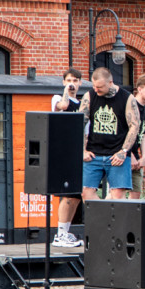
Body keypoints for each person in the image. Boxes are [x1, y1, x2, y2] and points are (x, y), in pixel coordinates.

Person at [79, 67, 141, 201]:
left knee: (117, 196)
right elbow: (79, 123)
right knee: (86, 193)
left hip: (117, 154)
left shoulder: (127, 98)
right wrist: (82, 150)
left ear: (110, 82)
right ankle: (101, 221)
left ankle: (113, 221)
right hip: (94, 153)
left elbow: (134, 126)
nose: (96, 90)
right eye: (94, 86)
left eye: (100, 87)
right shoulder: (89, 96)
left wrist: (123, 151)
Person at [50, 68, 83, 248]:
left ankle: (65, 231)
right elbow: (62, 106)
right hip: (64, 151)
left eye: (75, 80)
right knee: (67, 195)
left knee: (76, 195)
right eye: (69, 80)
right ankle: (60, 234)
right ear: (63, 82)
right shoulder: (58, 98)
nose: (72, 83)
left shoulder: (82, 103)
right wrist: (67, 92)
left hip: (79, 152)